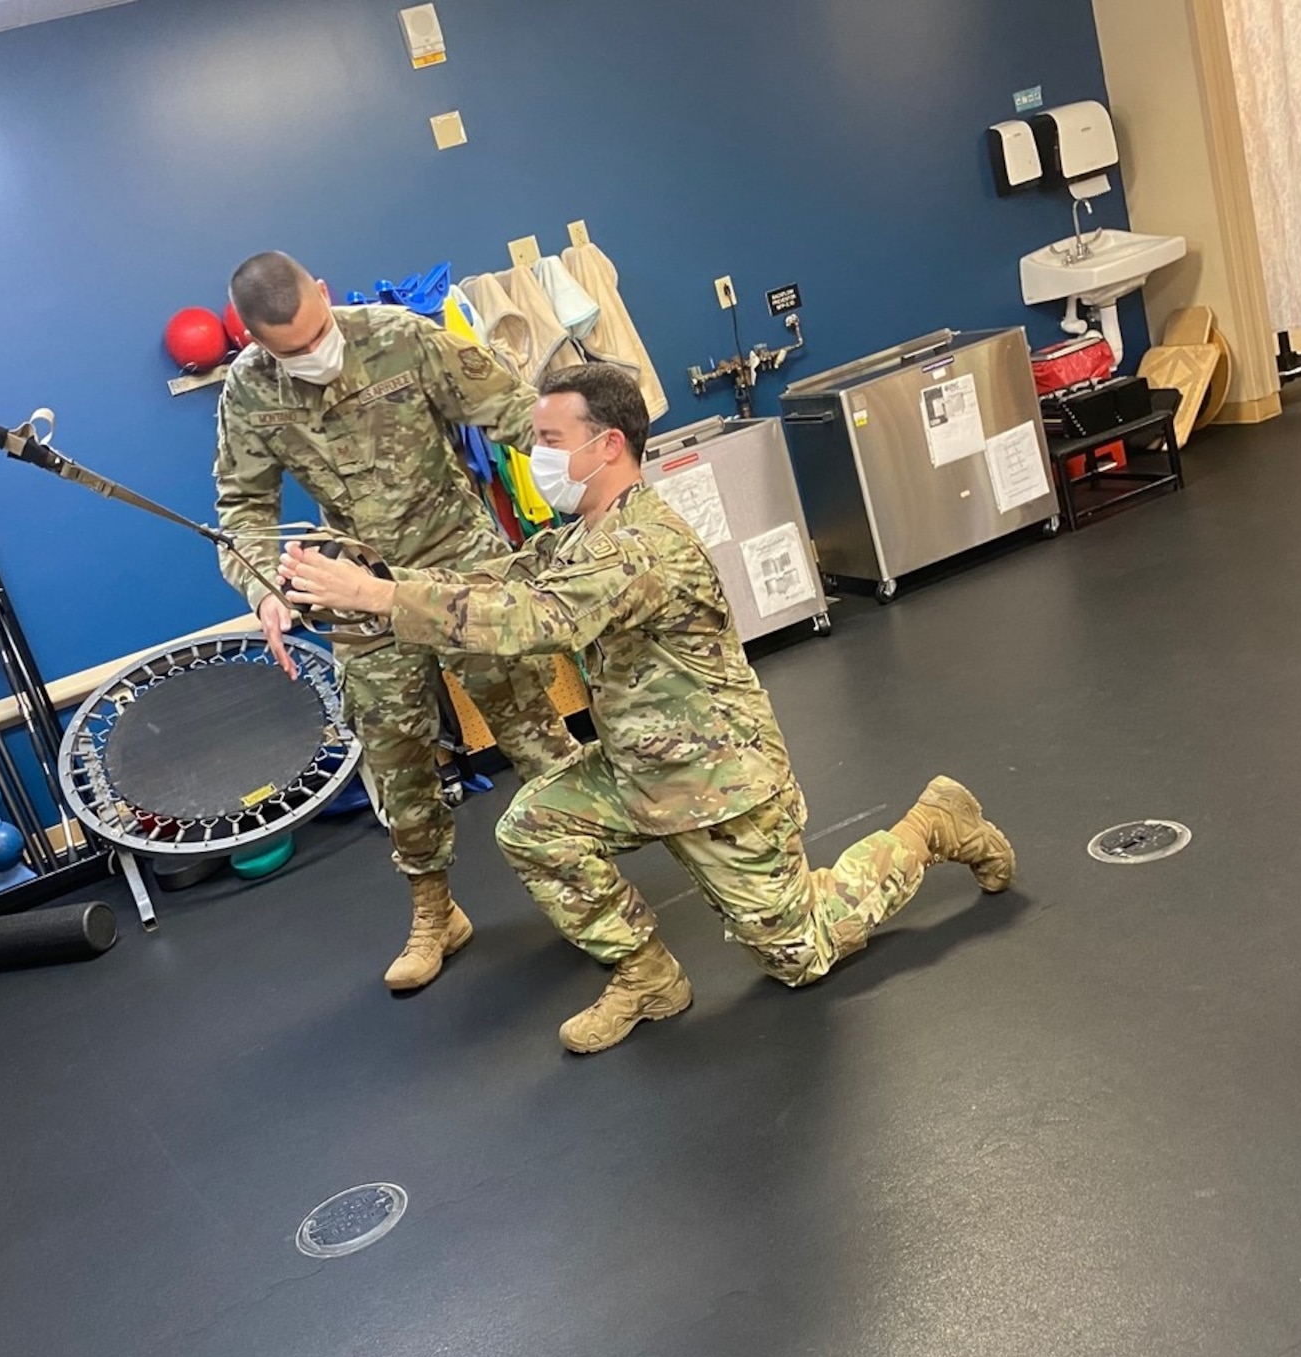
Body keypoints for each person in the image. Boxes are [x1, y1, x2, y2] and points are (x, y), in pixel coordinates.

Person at [279, 365, 1016, 1054]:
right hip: (637, 768)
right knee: (533, 829)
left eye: (549, 441)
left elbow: (533, 621)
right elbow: (497, 578)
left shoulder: (642, 548)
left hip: (719, 778)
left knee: (801, 952)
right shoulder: (582, 535)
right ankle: (647, 978)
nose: (534, 456)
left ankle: (933, 825)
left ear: (606, 446)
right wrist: (362, 582)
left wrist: (376, 598)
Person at [215, 251, 580, 993]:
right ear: (254, 341)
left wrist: (585, 477)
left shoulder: (403, 337)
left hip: (459, 565)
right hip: (358, 582)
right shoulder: (249, 391)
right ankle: (435, 913)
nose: (312, 354)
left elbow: (514, 410)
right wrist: (263, 592)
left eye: (317, 332)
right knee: (396, 761)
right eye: (289, 349)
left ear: (323, 293)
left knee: (532, 731)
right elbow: (243, 508)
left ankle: (586, 877)